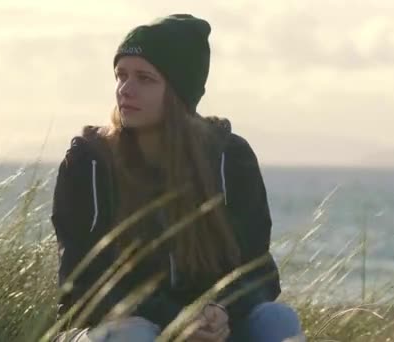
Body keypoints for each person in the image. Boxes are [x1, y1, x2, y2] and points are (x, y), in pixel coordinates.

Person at [50, 14, 304, 342]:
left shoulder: (230, 158)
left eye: (145, 78)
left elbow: (259, 271)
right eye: (121, 75)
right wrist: (177, 320)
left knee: (277, 319)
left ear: (179, 91)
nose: (125, 90)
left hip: (206, 327)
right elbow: (81, 286)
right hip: (108, 329)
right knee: (136, 334)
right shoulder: (89, 161)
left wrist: (221, 310)